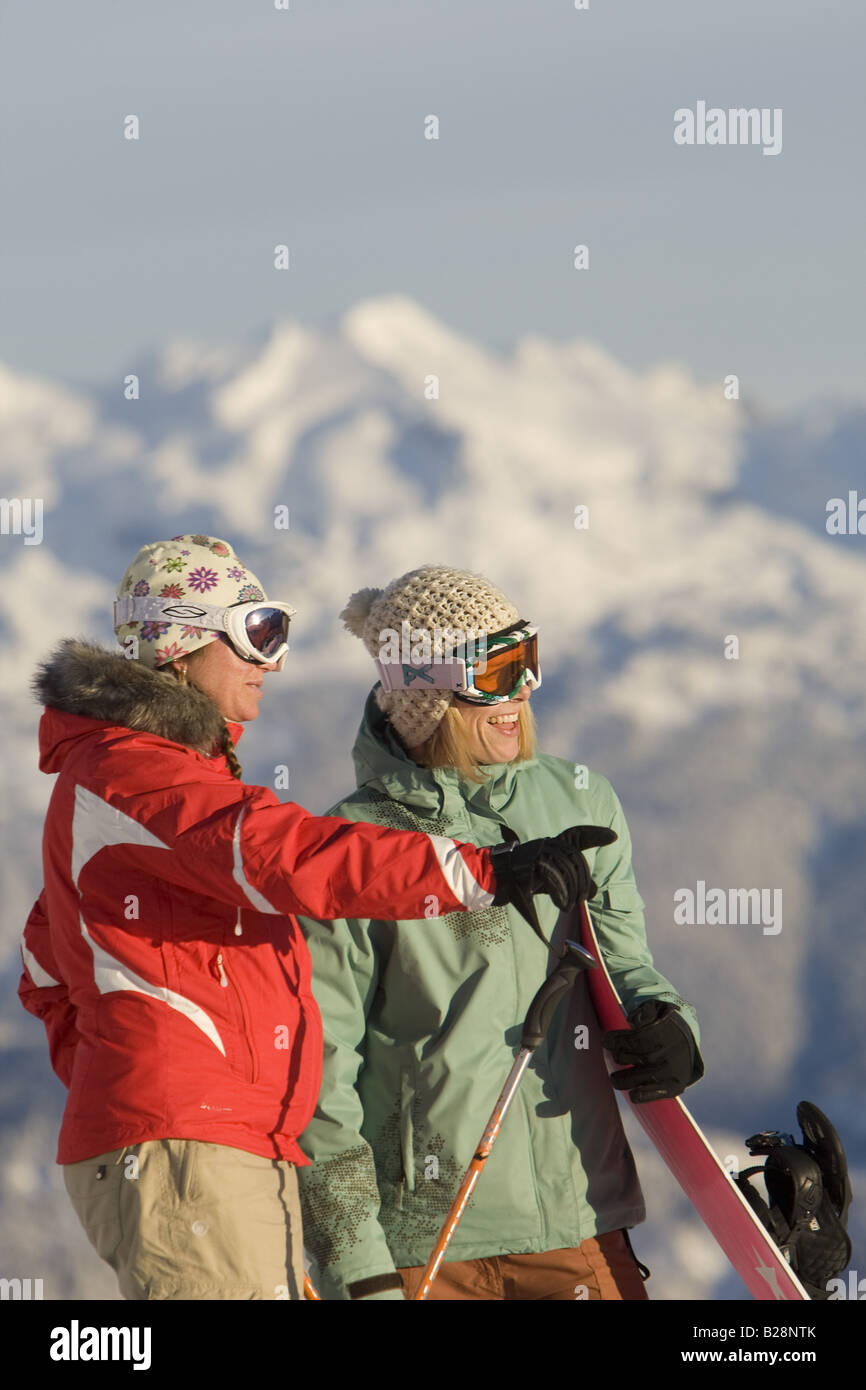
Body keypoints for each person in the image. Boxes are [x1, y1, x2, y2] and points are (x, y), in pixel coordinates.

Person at [18, 536, 607, 1302]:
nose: (275, 662)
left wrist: (123, 1073)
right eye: (257, 633)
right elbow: (282, 856)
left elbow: (47, 965)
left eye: (281, 634)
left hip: (219, 1141)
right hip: (191, 1148)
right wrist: (485, 871)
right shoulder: (135, 774)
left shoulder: (138, 781)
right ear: (184, 642)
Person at [296, 565, 705, 1301]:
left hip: (576, 1213)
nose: (521, 693)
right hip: (430, 1240)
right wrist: (356, 1267)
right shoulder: (354, 849)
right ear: (428, 693)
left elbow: (623, 964)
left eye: (529, 661)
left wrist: (666, 1023)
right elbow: (321, 1081)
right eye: (497, 669)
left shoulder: (579, 804)